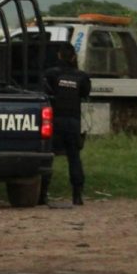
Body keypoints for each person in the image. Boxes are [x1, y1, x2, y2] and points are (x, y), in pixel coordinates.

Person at [40, 43, 91, 206]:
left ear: (59, 56)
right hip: (73, 121)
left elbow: (45, 92)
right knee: (74, 158)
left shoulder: (51, 74)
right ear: (73, 57)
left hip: (55, 120)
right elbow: (85, 93)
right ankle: (77, 196)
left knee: (48, 157)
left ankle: (42, 195)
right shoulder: (82, 76)